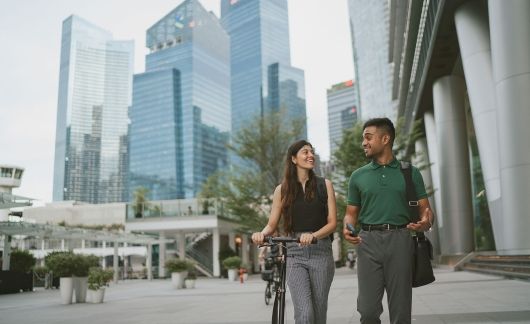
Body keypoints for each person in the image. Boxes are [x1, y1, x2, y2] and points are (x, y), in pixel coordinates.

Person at [342, 117, 434, 324]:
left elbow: (426, 212)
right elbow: (350, 214)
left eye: (368, 138)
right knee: (367, 310)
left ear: (385, 139)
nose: (363, 143)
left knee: (401, 309)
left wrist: (425, 222)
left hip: (400, 240)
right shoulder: (358, 176)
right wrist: (348, 228)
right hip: (367, 242)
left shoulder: (410, 172)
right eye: (363, 139)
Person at [252, 139, 337, 324]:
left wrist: (313, 235)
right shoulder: (281, 190)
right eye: (305, 152)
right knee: (305, 314)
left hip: (321, 251)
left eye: (311, 151)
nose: (310, 155)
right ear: (293, 159)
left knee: (319, 312)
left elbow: (332, 223)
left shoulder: (325, 185)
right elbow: (271, 224)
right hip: (295, 254)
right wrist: (261, 234)